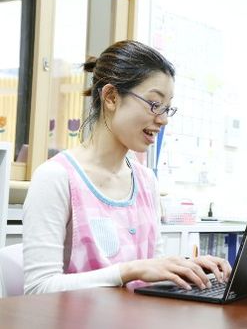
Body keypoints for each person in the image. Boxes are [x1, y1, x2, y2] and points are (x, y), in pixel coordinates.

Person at [23, 40, 231, 294]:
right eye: (155, 104)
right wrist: (128, 271)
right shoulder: (56, 177)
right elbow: (38, 288)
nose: (163, 119)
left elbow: (151, 271)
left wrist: (186, 269)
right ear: (111, 97)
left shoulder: (145, 181)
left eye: (167, 108)